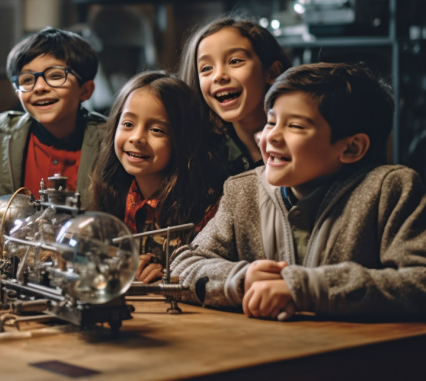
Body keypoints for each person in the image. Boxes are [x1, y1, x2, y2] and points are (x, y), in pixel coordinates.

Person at [171, 62, 426, 320]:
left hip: (355, 357)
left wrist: (306, 288)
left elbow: (419, 281)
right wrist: (242, 279)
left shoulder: (390, 190)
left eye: (295, 126)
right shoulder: (243, 190)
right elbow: (182, 267)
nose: (271, 137)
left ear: (351, 148)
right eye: (271, 122)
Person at [89, 72, 223, 283]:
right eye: (128, 124)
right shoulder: (113, 192)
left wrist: (167, 276)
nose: (137, 138)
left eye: (156, 130)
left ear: (183, 140)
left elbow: (212, 272)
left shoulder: (208, 207)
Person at [0, 27, 104, 202]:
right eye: (27, 80)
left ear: (85, 90)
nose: (39, 87)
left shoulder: (107, 140)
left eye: (55, 76)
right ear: (18, 93)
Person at [178, 17, 291, 178]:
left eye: (235, 61)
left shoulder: (304, 145)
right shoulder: (203, 161)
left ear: (273, 72)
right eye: (207, 68)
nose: (218, 76)